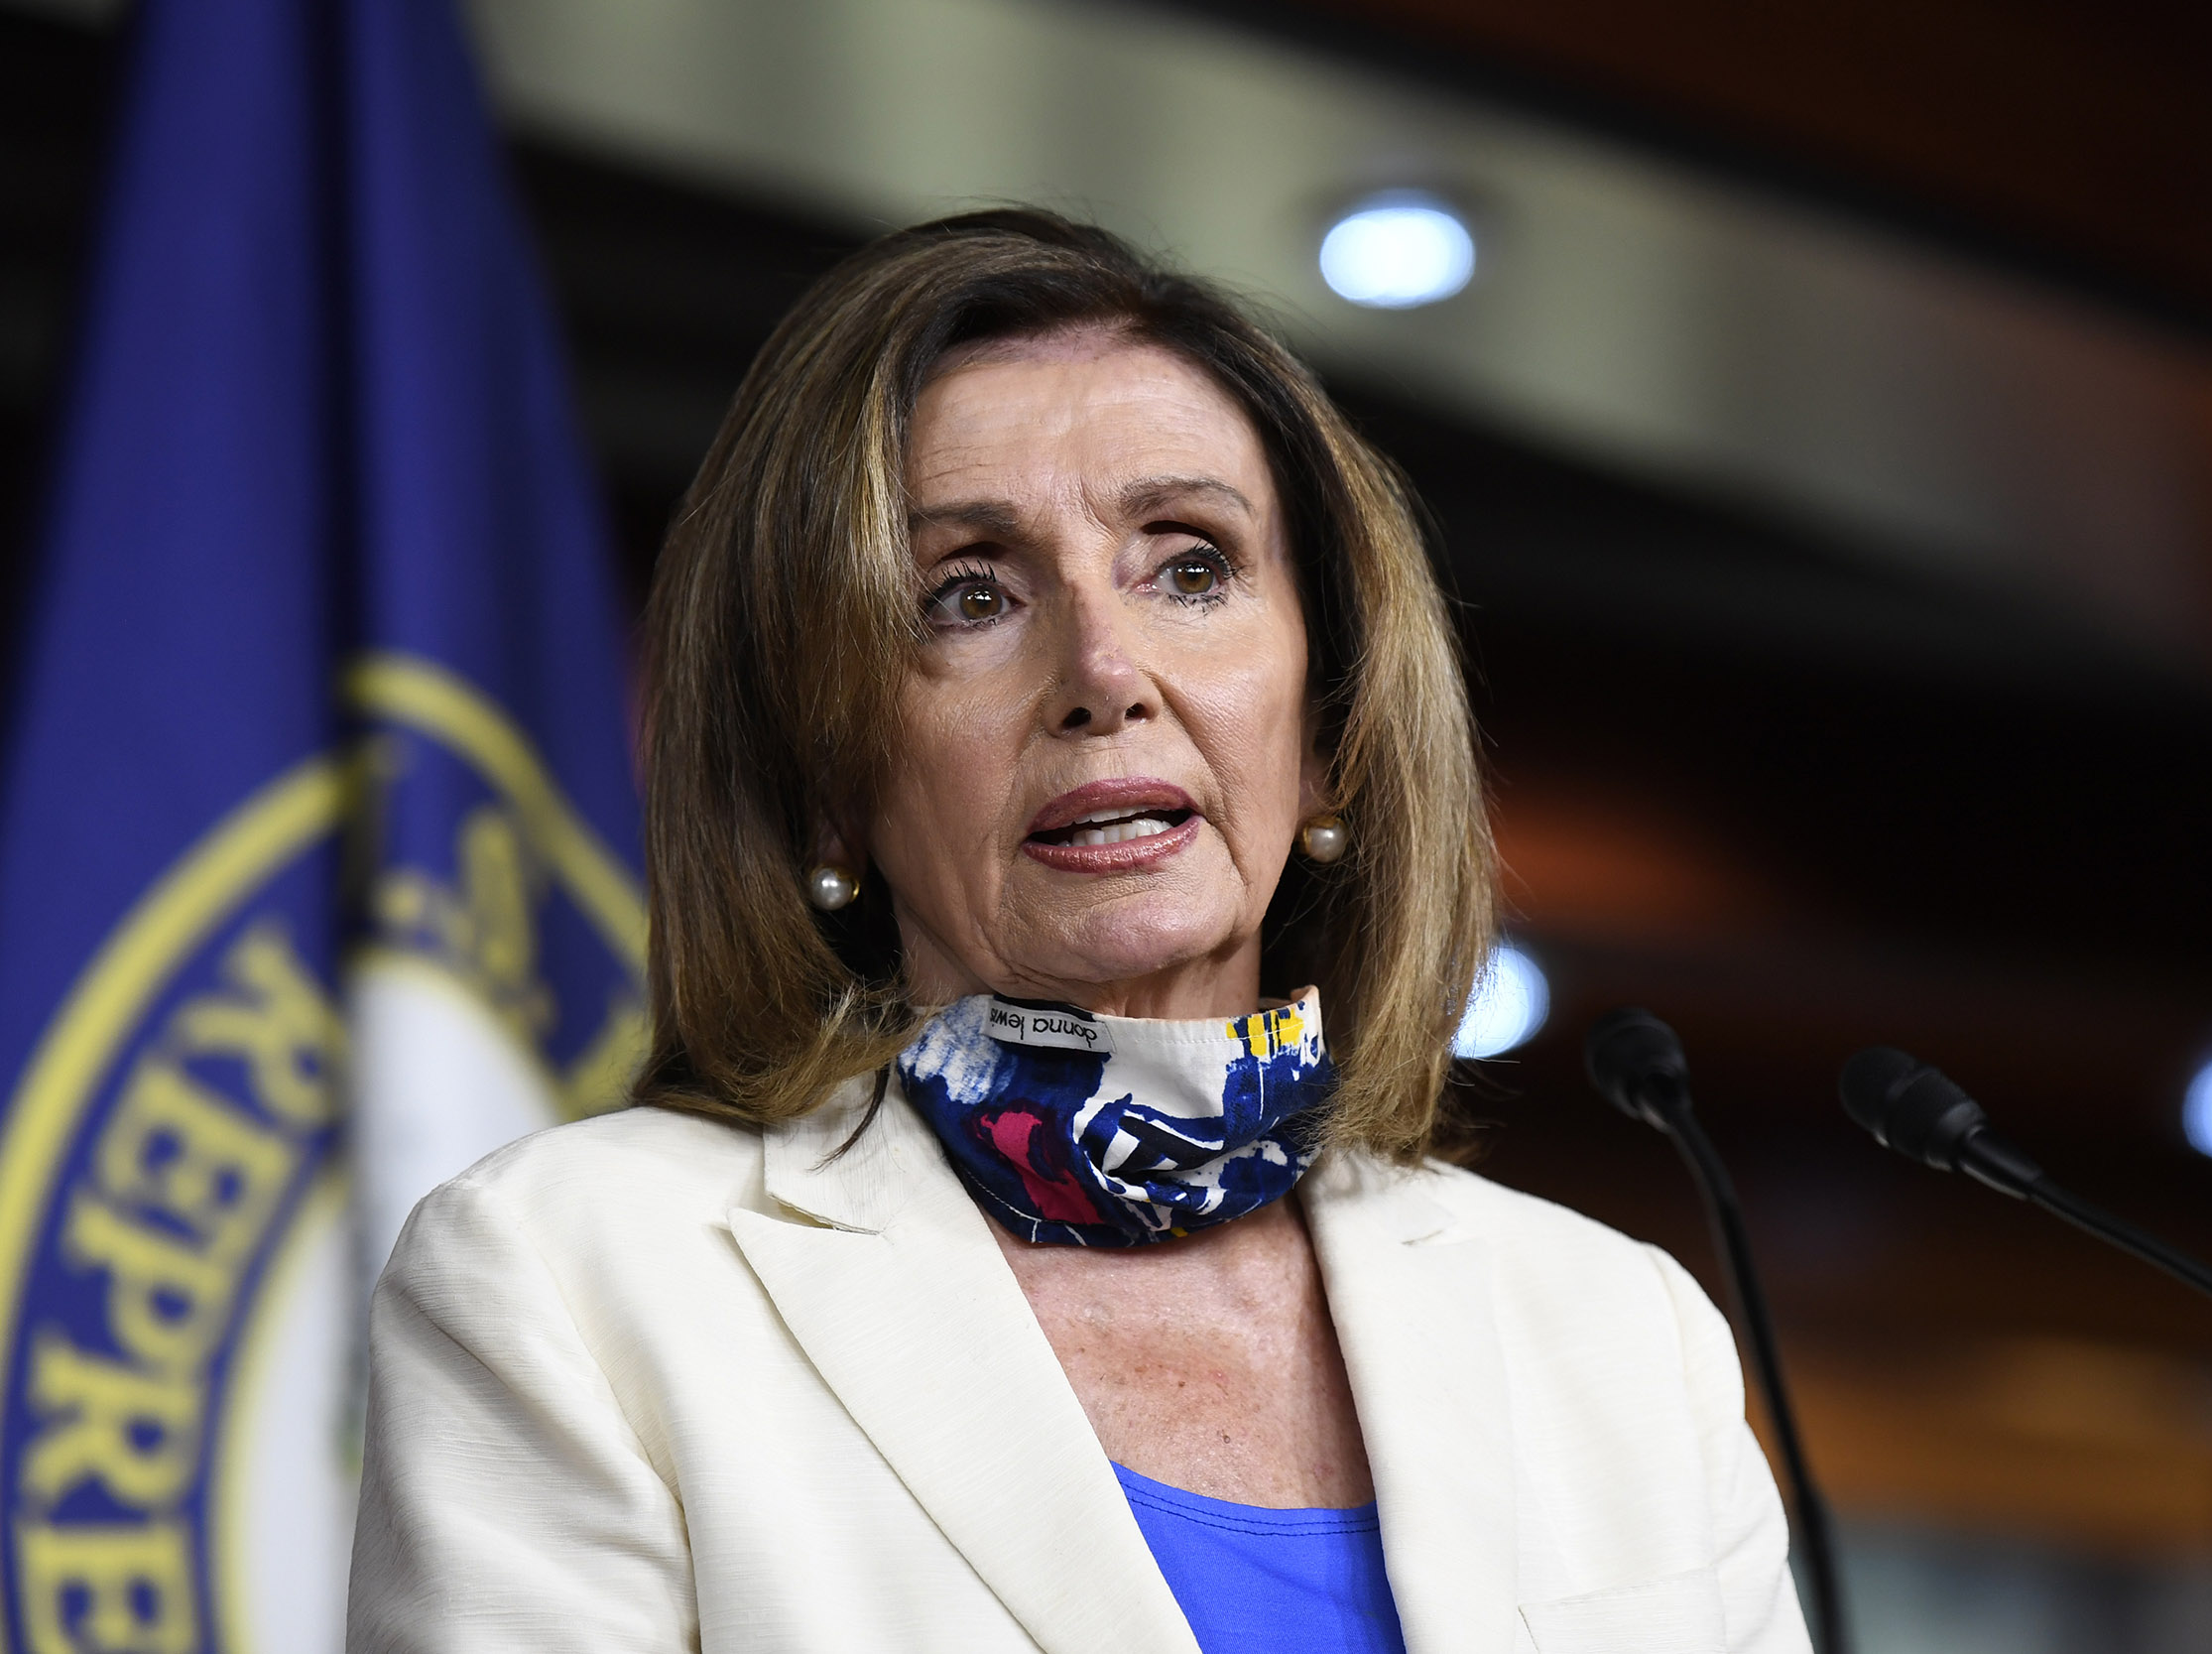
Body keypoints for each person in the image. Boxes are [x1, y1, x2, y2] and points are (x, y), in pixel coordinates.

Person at [346, 210, 1807, 1654]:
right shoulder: (571, 1280)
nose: (1103, 672)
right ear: (828, 780)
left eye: (1189, 566)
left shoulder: (1620, 1338)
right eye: (968, 596)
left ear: (1332, 731)